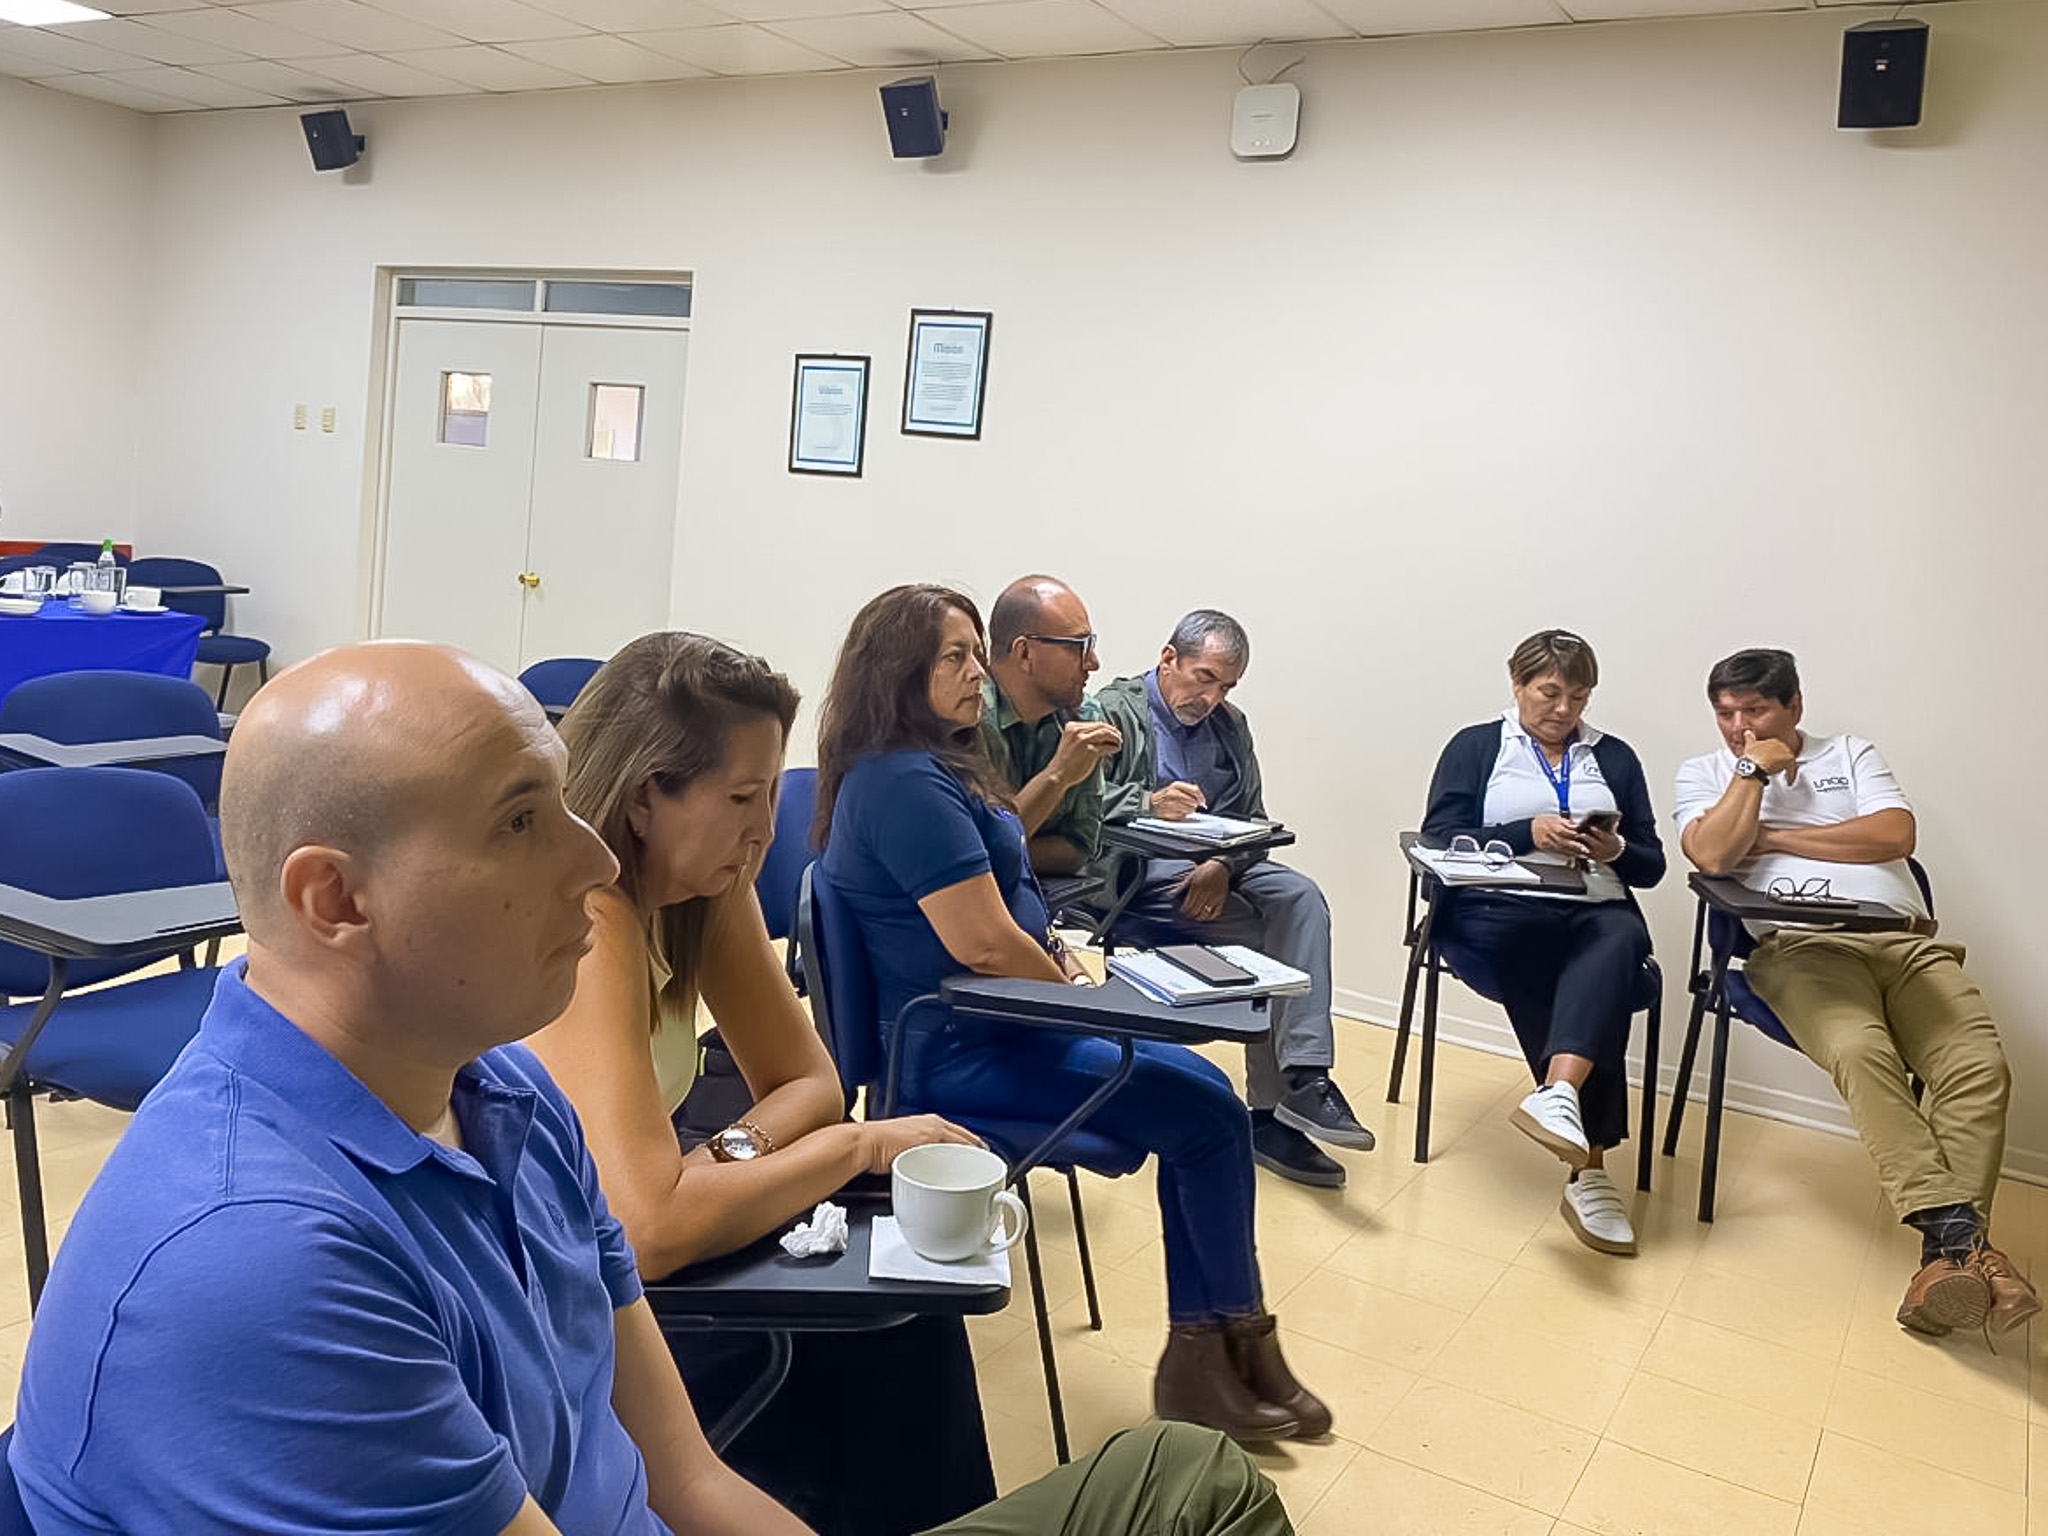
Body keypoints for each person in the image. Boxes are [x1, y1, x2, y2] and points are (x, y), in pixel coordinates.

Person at [8, 640, 1297, 1536]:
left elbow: (682, 1480)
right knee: (1170, 1490)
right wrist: (834, 1149)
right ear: (336, 900)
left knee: (1178, 1476)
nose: (590, 863)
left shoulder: (507, 1101)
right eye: (523, 820)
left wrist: (749, 1153)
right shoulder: (260, 1261)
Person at [816, 583, 1330, 1446]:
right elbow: (984, 945)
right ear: (899, 672)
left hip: (999, 1023)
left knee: (1207, 1098)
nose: (977, 670)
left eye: (975, 652)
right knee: (1209, 1114)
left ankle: (1227, 1344)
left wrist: (1055, 960)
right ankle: (1212, 1350)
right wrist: (1084, 1004)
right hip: (963, 1048)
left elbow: (1008, 900)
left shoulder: (934, 764)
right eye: (955, 657)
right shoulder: (903, 783)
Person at [530, 631, 995, 1536]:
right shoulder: (595, 918)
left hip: (633, 1224)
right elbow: (649, 1231)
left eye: (771, 794)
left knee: (909, 1318)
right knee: (872, 1360)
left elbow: (810, 1079)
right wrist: (854, 1146)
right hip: (561, 1296)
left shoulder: (705, 882)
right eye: (743, 798)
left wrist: (723, 1157)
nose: (767, 831)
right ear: (644, 798)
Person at [1673, 647, 2040, 1336]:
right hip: (1802, 951)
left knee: (1979, 1066)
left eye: (1756, 710)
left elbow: (1896, 835)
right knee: (1860, 1049)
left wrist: (1772, 836)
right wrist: (1753, 773)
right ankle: (1967, 1250)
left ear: (1794, 705)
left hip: (1906, 943)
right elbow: (1715, 853)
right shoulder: (1706, 773)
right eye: (1725, 714)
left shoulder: (1850, 753)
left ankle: (1943, 1268)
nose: (1739, 727)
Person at [1094, 610, 1375, 1189]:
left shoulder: (1229, 725)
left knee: (1300, 897)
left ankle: (1305, 1079)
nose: (1212, 697)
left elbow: (1252, 818)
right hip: (1140, 877)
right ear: (1168, 658)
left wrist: (1222, 864)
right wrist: (1149, 802)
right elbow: (1079, 803)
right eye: (1204, 678)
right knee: (1281, 943)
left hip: (1219, 871)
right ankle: (1270, 1116)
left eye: (1226, 686)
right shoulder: (1112, 710)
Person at [1419, 629, 1665, 1256]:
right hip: (1498, 909)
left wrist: (1616, 848)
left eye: (1578, 698)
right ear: (1518, 683)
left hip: (1594, 906)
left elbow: (1652, 865)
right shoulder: (1477, 746)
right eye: (1550, 693)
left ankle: (1558, 1095)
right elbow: (1438, 836)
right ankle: (1591, 1168)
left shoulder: (1615, 757)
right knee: (1582, 970)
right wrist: (1525, 832)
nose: (1563, 709)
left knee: (1616, 939)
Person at [975, 574, 1124, 876]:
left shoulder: (1084, 716)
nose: (1093, 662)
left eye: (1091, 644)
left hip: (1049, 890)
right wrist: (1058, 774)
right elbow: (975, 854)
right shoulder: (968, 719)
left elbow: (1081, 846)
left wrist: (1007, 852)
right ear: (1024, 653)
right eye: (1078, 646)